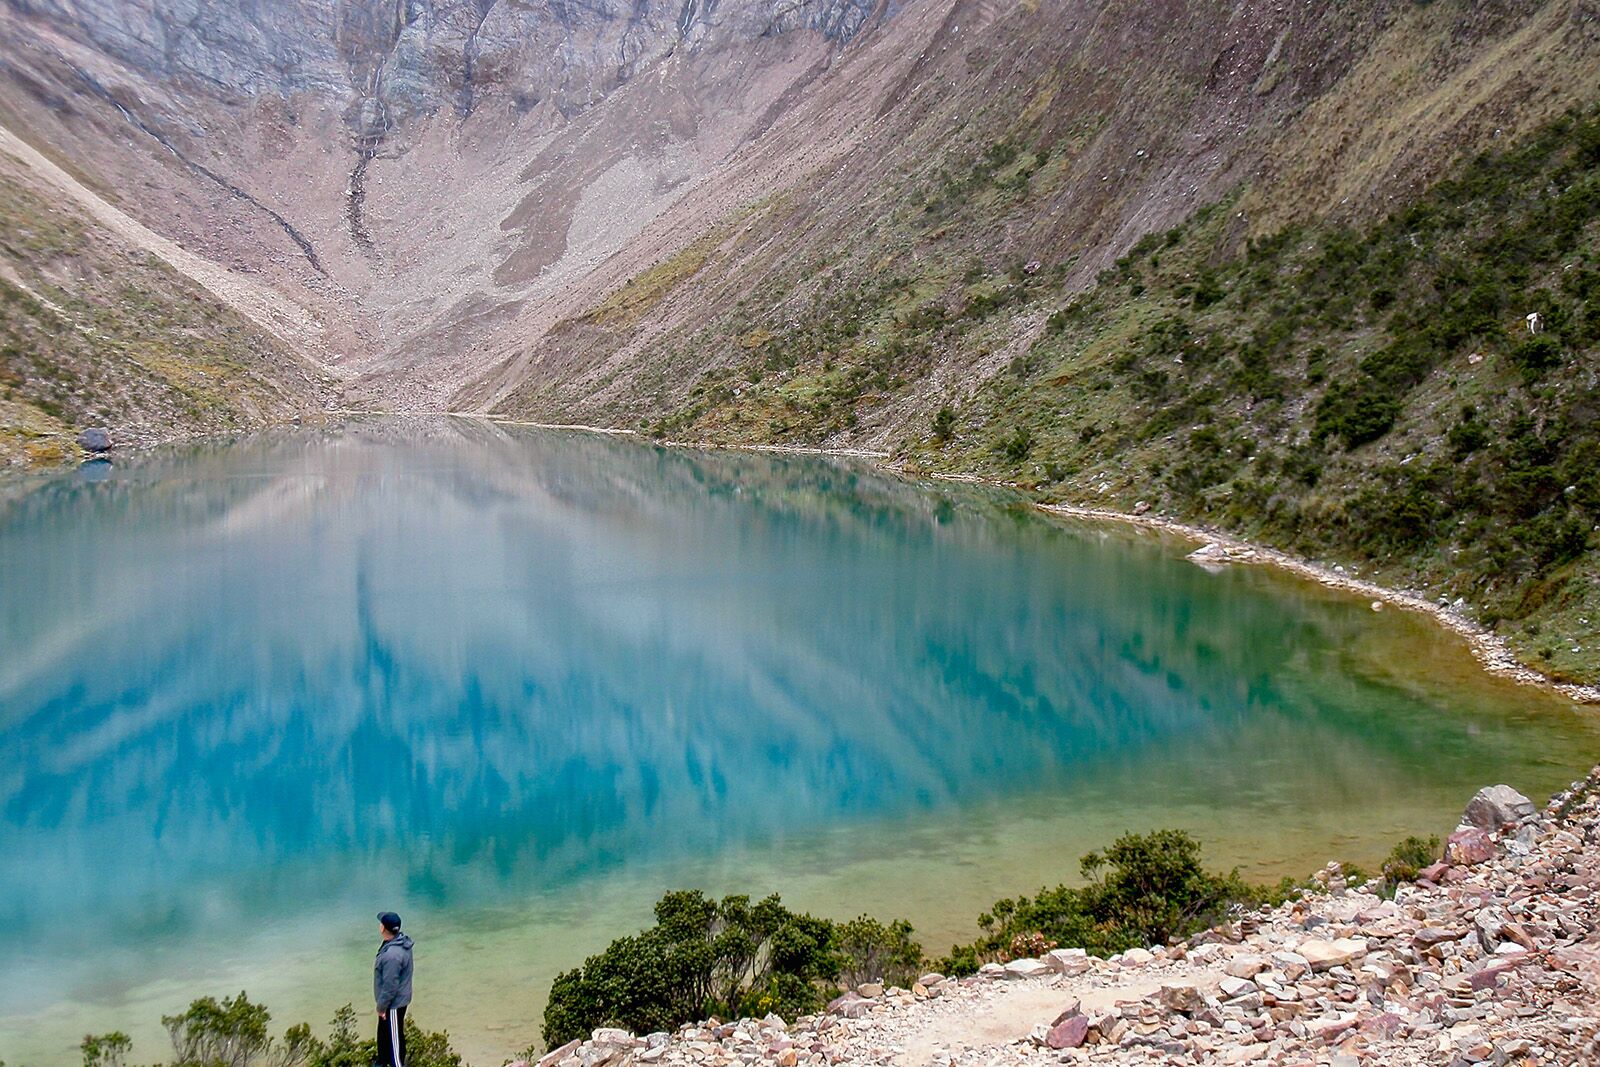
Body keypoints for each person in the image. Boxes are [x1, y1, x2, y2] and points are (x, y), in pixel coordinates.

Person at [374, 911, 414, 1067]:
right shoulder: (399, 943)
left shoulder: (392, 955)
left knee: (395, 1040)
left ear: (383, 928)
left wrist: (382, 1007)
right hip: (394, 1001)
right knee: (384, 1035)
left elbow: (390, 986)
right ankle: (382, 1062)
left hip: (393, 1004)